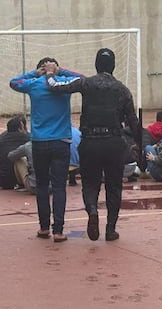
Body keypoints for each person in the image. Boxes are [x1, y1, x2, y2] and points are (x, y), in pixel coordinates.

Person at [47, 48, 140, 241]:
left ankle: (92, 210)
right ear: (113, 66)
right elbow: (133, 121)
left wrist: (50, 73)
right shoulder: (122, 89)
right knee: (114, 187)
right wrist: (139, 143)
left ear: (96, 65)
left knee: (90, 183)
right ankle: (111, 229)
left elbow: (56, 87)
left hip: (90, 141)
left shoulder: (86, 83)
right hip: (114, 142)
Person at [9, 57, 80, 242]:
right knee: (59, 187)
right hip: (61, 141)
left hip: (39, 142)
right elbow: (83, 79)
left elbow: (14, 82)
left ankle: (43, 227)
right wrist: (60, 71)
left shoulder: (33, 84)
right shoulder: (64, 83)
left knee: (42, 185)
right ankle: (58, 230)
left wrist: (35, 73)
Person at [0, 115, 29, 189]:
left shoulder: (0, 140)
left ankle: (3, 173)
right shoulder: (29, 139)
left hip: (4, 181)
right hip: (25, 178)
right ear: (22, 127)